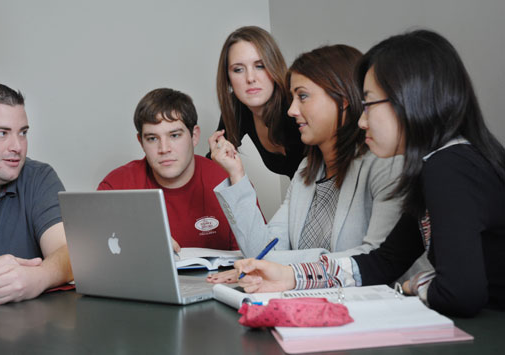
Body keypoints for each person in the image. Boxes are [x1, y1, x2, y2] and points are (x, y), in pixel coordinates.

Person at [232, 30, 505, 317]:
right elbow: (383, 261)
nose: (361, 121)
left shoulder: (448, 166)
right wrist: (291, 277)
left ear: (409, 98)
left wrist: (415, 285)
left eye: (369, 104)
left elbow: (460, 293)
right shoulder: (436, 165)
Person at [207, 44, 428, 283]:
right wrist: (236, 174)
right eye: (293, 98)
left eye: (302, 96)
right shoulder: (305, 170)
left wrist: (283, 266)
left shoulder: (385, 165)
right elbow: (262, 251)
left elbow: (375, 261)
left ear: (342, 99)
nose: (291, 110)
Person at [98, 88, 238, 251]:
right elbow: (94, 259)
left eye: (174, 135)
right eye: (152, 138)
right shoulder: (115, 187)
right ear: (141, 142)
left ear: (194, 136)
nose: (164, 149)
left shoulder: (227, 180)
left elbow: (258, 257)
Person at [0, 82, 72, 305]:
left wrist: (39, 277)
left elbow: (68, 251)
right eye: (1, 133)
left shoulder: (39, 177)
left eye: (23, 133)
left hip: (28, 328)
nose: (17, 146)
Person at [209, 25, 304, 178]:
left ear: (274, 67)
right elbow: (216, 159)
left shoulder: (296, 105)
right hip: (301, 197)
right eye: (238, 69)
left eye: (260, 66)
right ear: (228, 78)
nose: (250, 78)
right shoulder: (238, 107)